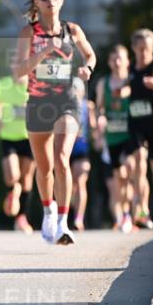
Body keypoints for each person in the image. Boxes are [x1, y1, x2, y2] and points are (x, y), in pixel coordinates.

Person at [13, 0, 96, 245]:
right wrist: (45, 51)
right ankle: (48, 210)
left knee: (62, 159)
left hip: (67, 101)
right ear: (36, 1)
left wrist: (87, 69)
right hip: (38, 102)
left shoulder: (72, 30)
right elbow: (18, 71)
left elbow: (91, 56)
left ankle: (63, 222)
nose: (50, 0)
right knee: (45, 167)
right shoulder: (29, 32)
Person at [95, 44, 134, 232]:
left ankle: (131, 213)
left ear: (128, 61)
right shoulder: (104, 83)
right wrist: (100, 120)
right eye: (113, 59)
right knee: (119, 180)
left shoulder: (132, 81)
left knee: (130, 168)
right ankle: (124, 214)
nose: (117, 62)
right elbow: (99, 108)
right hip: (112, 138)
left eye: (121, 58)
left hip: (131, 135)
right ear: (110, 62)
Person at [0, 73, 35, 233]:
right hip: (8, 136)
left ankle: (22, 217)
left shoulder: (33, 84)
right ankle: (13, 192)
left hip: (29, 137)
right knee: (12, 176)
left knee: (26, 179)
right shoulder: (3, 83)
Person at [128, 28, 153, 229]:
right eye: (139, 49)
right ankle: (142, 208)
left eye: (147, 49)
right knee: (140, 160)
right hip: (136, 122)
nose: (143, 53)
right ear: (133, 48)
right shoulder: (131, 69)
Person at [69, 77, 92, 231]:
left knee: (81, 182)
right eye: (71, 89)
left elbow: (94, 127)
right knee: (70, 186)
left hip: (81, 149)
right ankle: (68, 214)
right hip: (65, 151)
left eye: (76, 89)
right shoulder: (62, 107)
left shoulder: (87, 107)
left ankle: (79, 218)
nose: (74, 92)